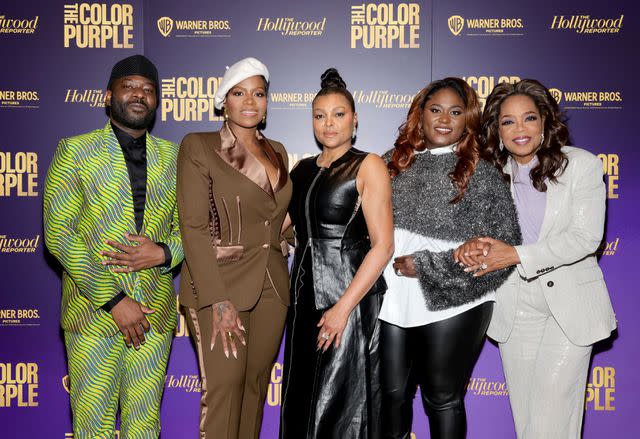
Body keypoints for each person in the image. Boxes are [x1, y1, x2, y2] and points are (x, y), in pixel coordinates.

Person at [459, 79, 616, 438]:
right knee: (528, 423)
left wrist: (514, 254)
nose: (520, 129)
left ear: (545, 122)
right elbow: (483, 241)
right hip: (516, 308)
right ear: (496, 130)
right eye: (508, 121)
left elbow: (585, 237)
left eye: (529, 118)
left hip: (570, 306)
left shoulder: (582, 166)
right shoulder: (492, 178)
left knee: (550, 422)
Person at [43, 54, 183, 438]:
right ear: (109, 96)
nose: (139, 94)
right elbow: (59, 234)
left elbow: (192, 229)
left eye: (148, 89)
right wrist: (115, 300)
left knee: (144, 427)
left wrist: (166, 252)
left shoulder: (174, 157)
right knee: (94, 429)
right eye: (129, 86)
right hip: (93, 315)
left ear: (156, 101)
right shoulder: (75, 151)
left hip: (154, 317)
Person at [380, 77, 521, 439]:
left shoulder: (484, 174)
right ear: (420, 115)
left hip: (455, 299)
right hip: (390, 299)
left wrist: (426, 266)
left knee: (441, 398)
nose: (444, 119)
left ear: (468, 119)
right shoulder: (389, 165)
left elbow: (502, 251)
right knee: (390, 395)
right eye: (436, 109)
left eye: (456, 112)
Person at [176, 57, 291, 439]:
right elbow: (193, 228)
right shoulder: (199, 146)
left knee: (254, 390)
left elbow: (272, 217)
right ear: (223, 100)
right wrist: (218, 301)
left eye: (259, 94)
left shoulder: (278, 150)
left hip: (272, 287)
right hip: (220, 287)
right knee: (224, 392)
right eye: (239, 93)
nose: (249, 102)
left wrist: (288, 234)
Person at [280, 68, 394, 439]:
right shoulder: (300, 170)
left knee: (344, 410)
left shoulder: (368, 164)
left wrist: (342, 309)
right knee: (301, 400)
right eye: (320, 115)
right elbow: (283, 229)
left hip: (351, 298)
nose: (329, 124)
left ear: (355, 119)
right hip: (303, 299)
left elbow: (383, 246)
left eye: (339, 114)